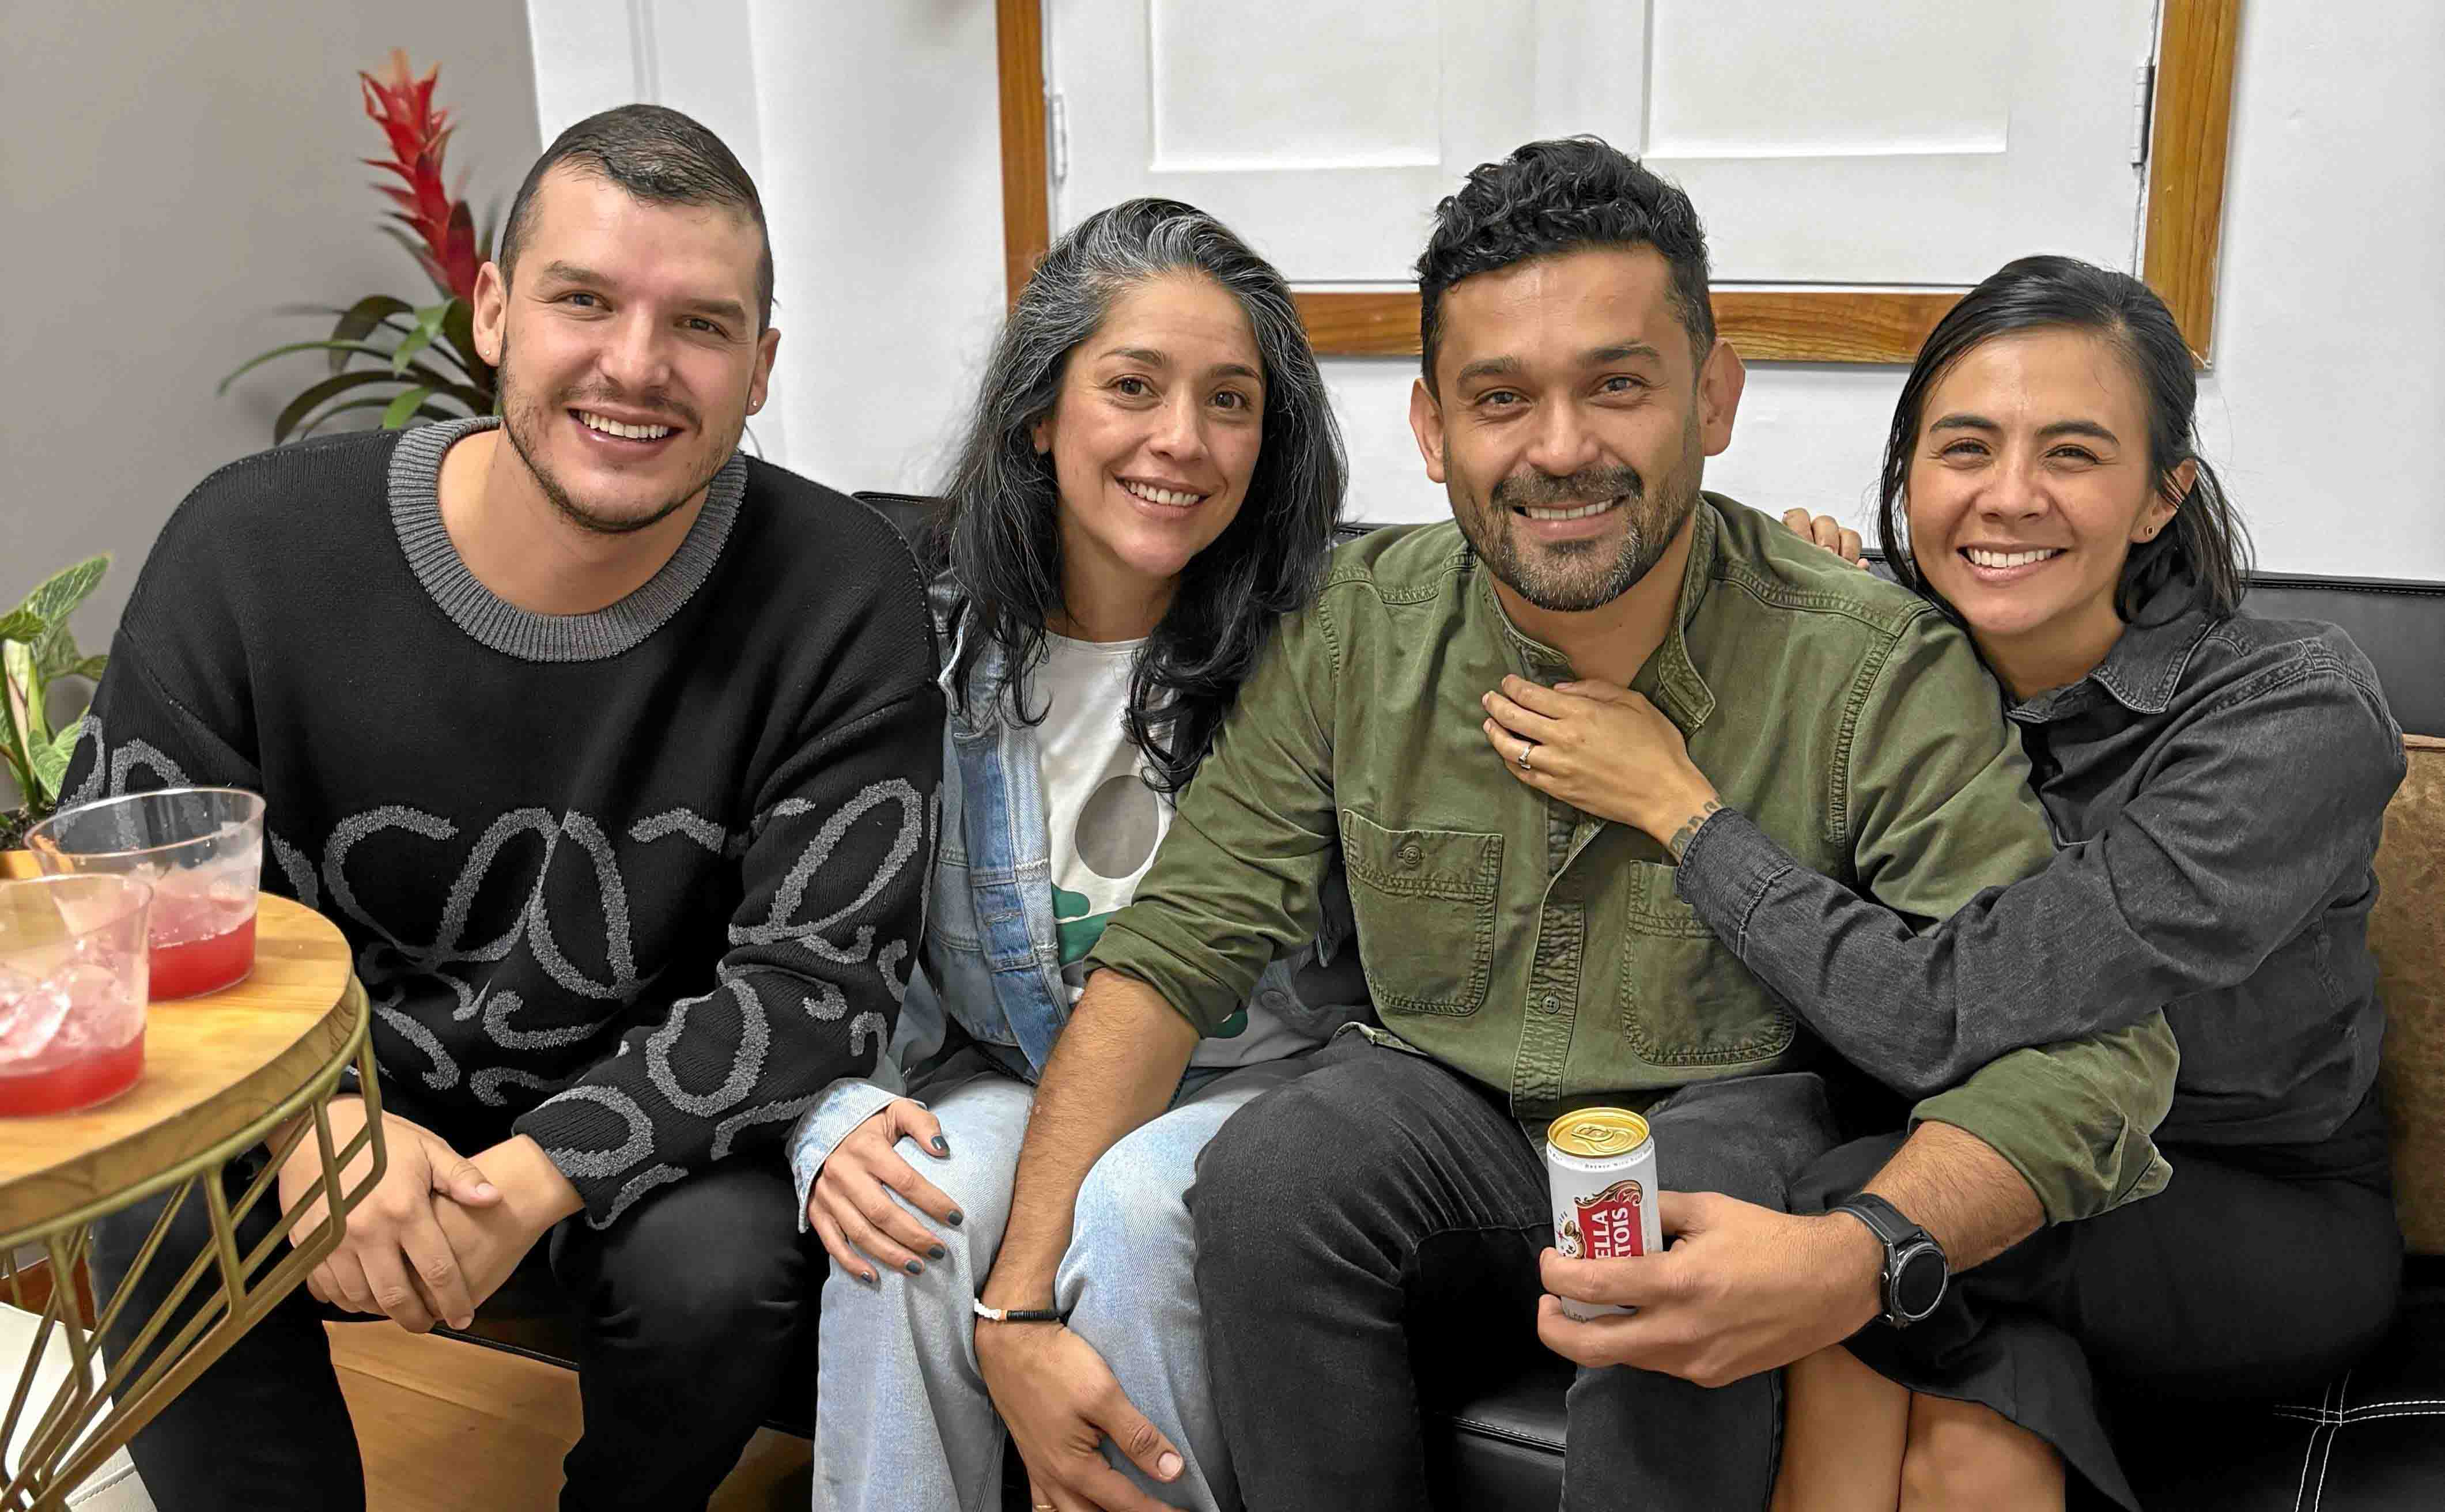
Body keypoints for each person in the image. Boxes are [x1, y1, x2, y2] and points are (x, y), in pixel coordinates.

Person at [963, 135, 2176, 1512]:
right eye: (1500, 398)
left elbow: (2092, 1054)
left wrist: (1858, 1252)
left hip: (1730, 1124)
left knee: (1674, 1205)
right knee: (1274, 1167)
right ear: (1431, 429)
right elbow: (1177, 948)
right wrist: (1014, 1309)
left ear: (1713, 397)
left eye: (1616, 385)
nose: (1559, 450)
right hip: (1446, 1120)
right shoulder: (1359, 624)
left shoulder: (1870, 665)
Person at [67, 104, 940, 1512]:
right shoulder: (249, 546)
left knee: (720, 1269)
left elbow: (816, 983)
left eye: (701, 326)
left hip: (640, 1136)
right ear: (491, 311)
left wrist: (537, 1175)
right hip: (314, 1093)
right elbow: (120, 904)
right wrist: (318, 1125)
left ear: (763, 366)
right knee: (157, 1203)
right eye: (583, 300)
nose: (636, 367)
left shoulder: (841, 591)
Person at [1558, 255, 2405, 1509]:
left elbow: (1943, 1005)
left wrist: (1684, 810)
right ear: (1908, 474)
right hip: (1975, 1172)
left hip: (2237, 1206)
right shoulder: (1889, 663)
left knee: (1851, 1215)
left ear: (2161, 494)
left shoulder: (2291, 708)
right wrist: (1808, 626)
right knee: (1961, 1422)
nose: (2008, 498)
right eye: (1964, 448)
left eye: (2071, 453)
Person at [786, 198, 1363, 1512]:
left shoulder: (1330, 641)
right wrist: (832, 1123)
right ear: (1041, 414)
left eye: (1231, 401)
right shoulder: (920, 652)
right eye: (1133, 386)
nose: (1183, 440)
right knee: (904, 1212)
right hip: (1013, 1074)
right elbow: (827, 933)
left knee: (1137, 1204)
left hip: (1262, 1092)